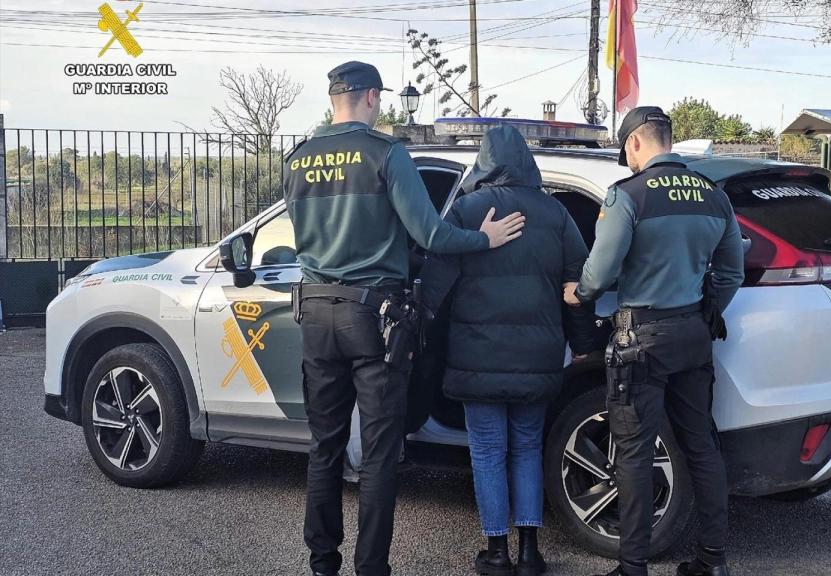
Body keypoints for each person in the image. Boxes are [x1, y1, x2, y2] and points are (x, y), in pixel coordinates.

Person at [284, 61, 526, 576]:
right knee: (377, 454)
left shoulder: (298, 158)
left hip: (314, 314)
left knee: (323, 447)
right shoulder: (386, 154)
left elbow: (305, 236)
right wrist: (485, 238)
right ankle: (371, 568)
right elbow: (431, 236)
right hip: (373, 319)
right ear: (371, 97)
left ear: (334, 99)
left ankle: (322, 563)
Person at [564, 106, 744, 576]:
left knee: (635, 452)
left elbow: (600, 270)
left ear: (636, 143)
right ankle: (713, 561)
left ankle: (633, 567)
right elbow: (731, 272)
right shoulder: (713, 195)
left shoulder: (628, 196)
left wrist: (579, 292)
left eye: (627, 149)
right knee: (702, 446)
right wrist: (707, 311)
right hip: (693, 334)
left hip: (639, 339)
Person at [420, 126, 598, 576]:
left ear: (484, 160)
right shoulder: (556, 213)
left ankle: (496, 553)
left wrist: (425, 339)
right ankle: (529, 552)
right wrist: (582, 345)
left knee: (487, 451)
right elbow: (575, 286)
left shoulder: (465, 211)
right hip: (537, 357)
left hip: (476, 356)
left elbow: (436, 284)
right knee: (526, 447)